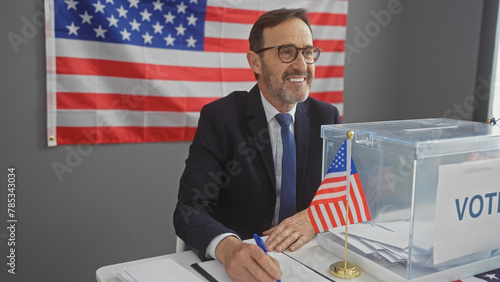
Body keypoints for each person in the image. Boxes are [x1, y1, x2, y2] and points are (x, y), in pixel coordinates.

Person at [173, 8, 340, 281]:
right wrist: (229, 249)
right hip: (241, 264)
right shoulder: (220, 118)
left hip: (307, 262)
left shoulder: (327, 117)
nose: (301, 65)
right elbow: (189, 209)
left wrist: (314, 217)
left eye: (308, 52)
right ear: (255, 62)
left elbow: (343, 193)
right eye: (287, 52)